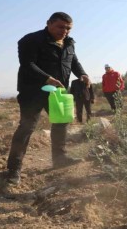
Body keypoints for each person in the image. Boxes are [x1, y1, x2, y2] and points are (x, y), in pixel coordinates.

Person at [6, 12, 91, 185]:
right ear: (49, 23)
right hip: (33, 92)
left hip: (58, 93)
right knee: (27, 127)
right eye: (61, 27)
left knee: (61, 123)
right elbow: (27, 64)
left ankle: (60, 158)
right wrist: (47, 78)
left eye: (68, 28)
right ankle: (13, 169)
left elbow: (73, 61)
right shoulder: (31, 40)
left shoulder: (69, 43)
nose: (65, 31)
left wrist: (82, 74)